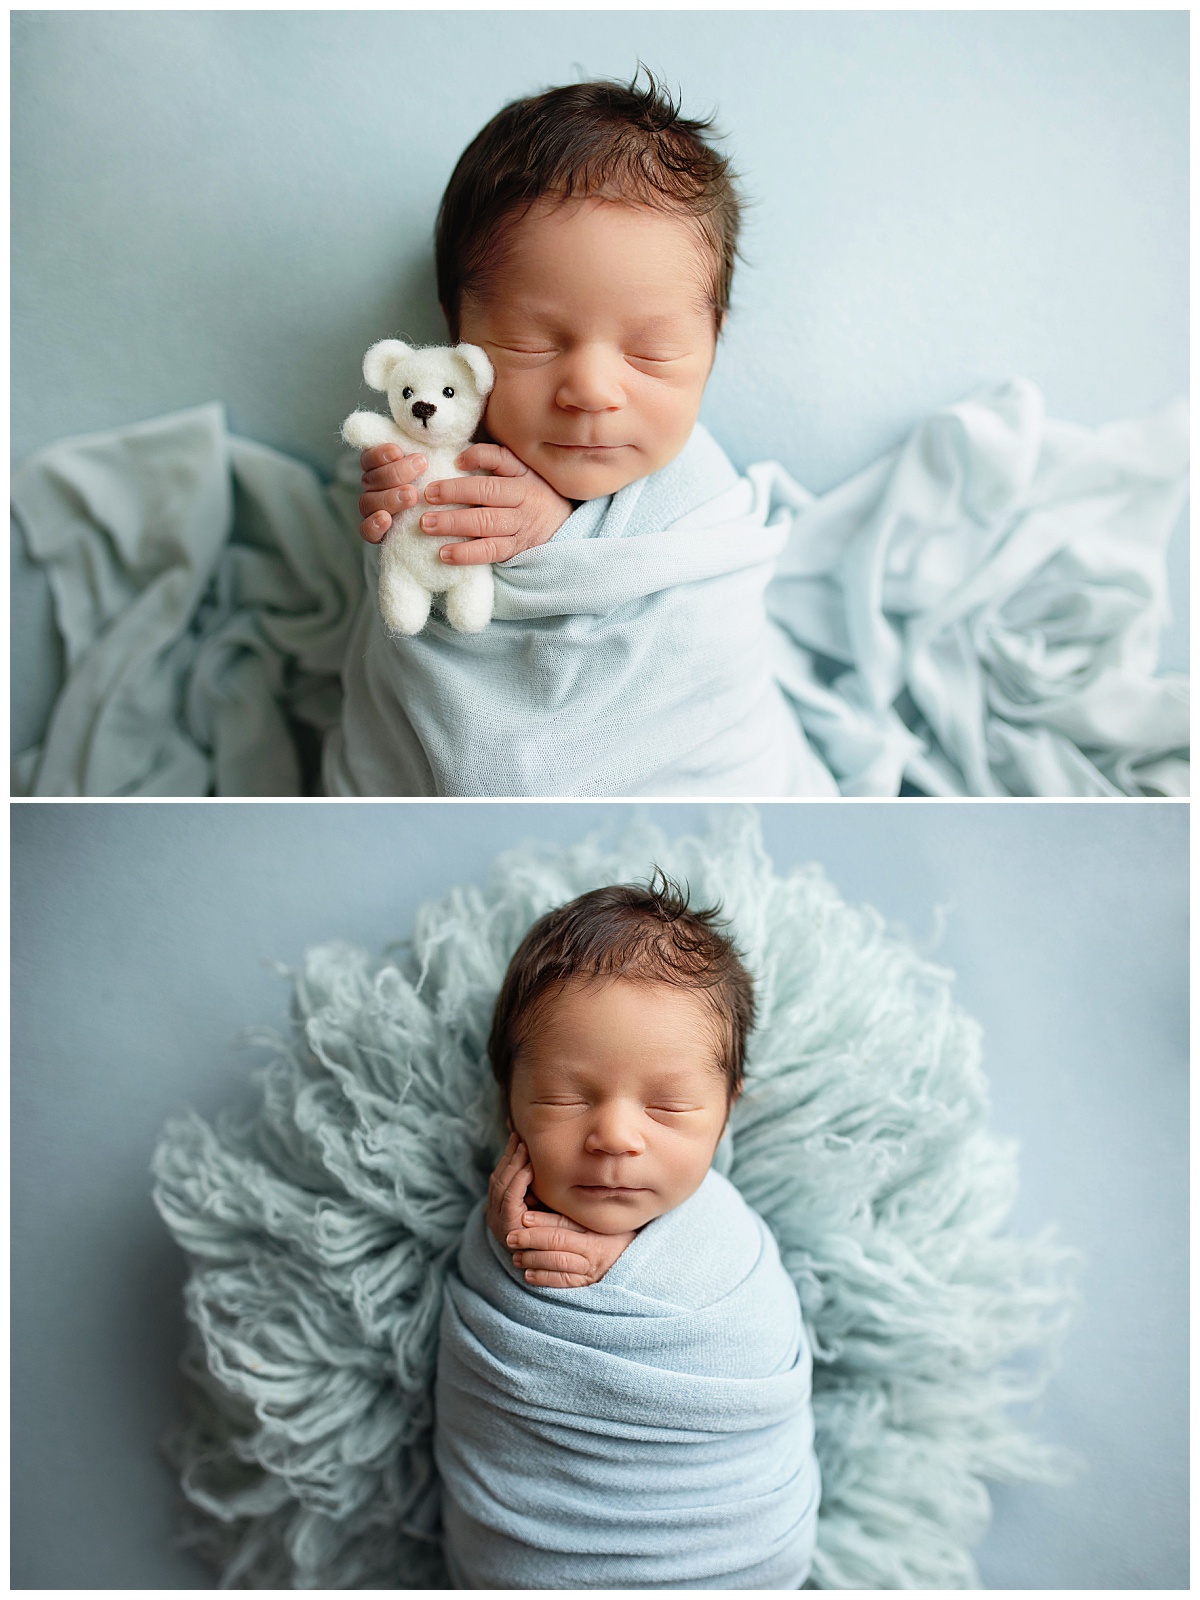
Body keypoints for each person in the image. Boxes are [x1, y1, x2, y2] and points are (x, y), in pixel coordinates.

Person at [323, 72, 838, 797]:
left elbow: (709, 665)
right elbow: (411, 579)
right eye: (536, 342)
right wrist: (400, 501)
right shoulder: (438, 442)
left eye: (651, 351)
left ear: (714, 339)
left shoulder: (699, 506)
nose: (593, 390)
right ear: (456, 337)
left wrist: (555, 523)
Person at [434, 876, 821, 1588]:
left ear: (726, 1110)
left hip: (723, 1558)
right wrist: (508, 1244)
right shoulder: (493, 1233)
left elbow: (751, 1337)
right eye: (564, 1097)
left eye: (669, 1107)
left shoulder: (726, 1247)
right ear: (508, 1099)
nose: (614, 1136)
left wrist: (622, 1267)